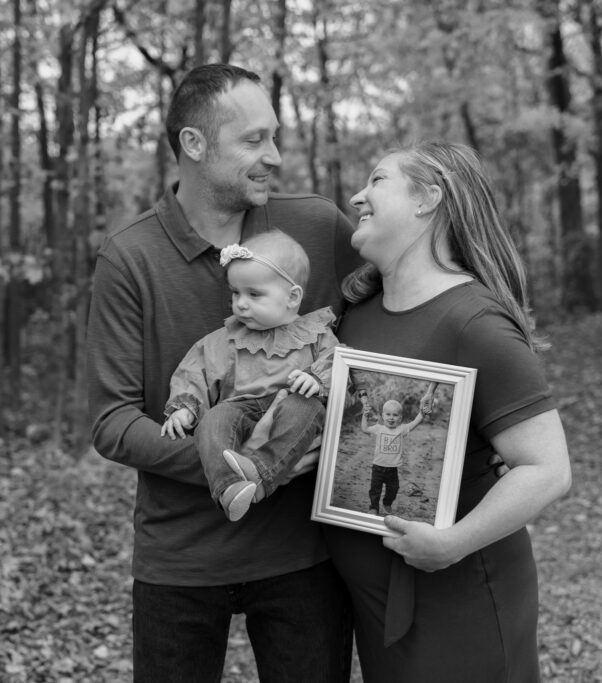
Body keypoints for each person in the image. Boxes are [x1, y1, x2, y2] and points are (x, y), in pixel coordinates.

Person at [86, 64, 360, 682]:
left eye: (275, 138)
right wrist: (238, 462)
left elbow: (401, 309)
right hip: (178, 563)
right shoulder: (129, 257)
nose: (275, 157)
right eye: (254, 140)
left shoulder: (318, 226)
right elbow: (112, 422)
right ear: (194, 144)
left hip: (303, 557)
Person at [323, 140, 572, 682]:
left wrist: (452, 543)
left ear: (428, 200)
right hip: (373, 606)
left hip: (460, 603)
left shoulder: (473, 321)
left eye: (377, 180)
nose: (357, 195)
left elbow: (548, 469)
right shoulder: (357, 313)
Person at [161, 230, 339, 522]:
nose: (241, 303)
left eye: (254, 294)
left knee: (304, 407)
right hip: (241, 407)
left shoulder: (316, 335)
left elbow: (339, 364)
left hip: (291, 405)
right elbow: (197, 369)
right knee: (214, 420)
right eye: (235, 292)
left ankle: (261, 473)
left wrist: (318, 379)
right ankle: (229, 487)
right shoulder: (227, 339)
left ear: (292, 297)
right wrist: (184, 408)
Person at [359, 396, 425, 515]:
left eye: (395, 415)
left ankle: (387, 503)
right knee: (375, 490)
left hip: (392, 469)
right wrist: (364, 415)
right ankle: (373, 507)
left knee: (393, 489)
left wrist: (422, 412)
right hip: (378, 467)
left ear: (400, 418)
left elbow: (415, 422)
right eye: (388, 414)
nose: (391, 418)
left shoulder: (401, 429)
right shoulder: (378, 428)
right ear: (383, 416)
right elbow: (364, 429)